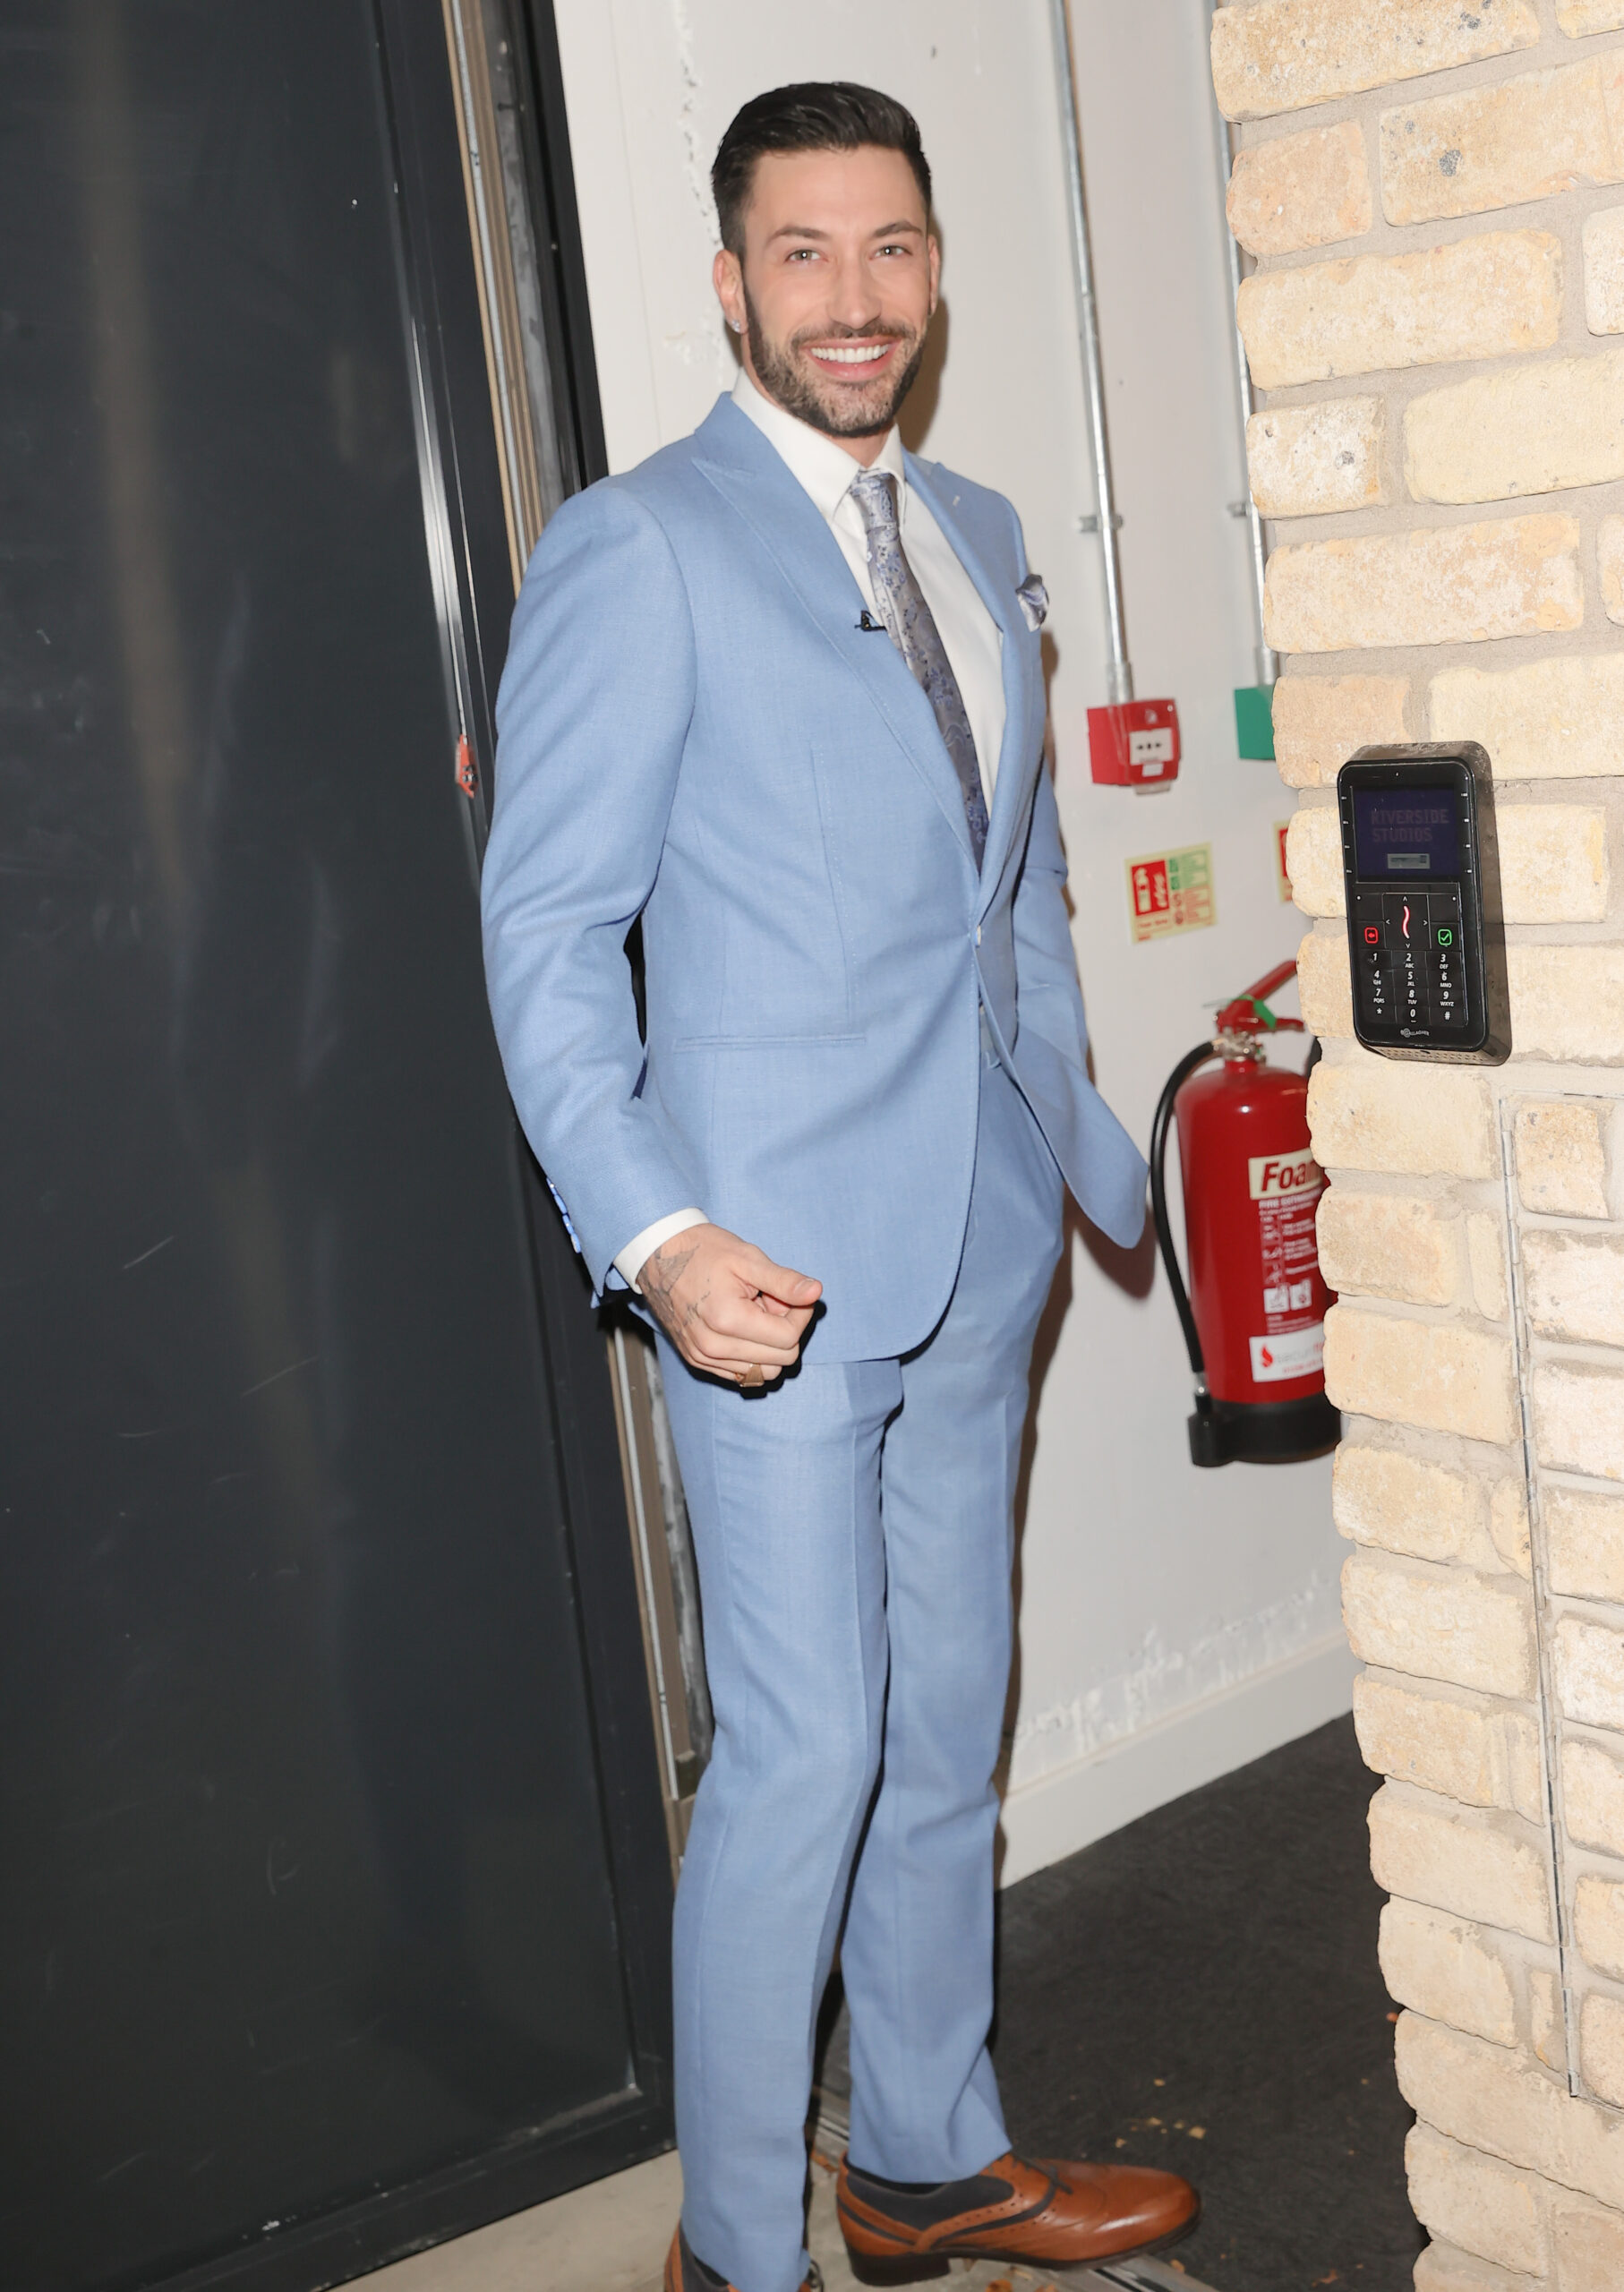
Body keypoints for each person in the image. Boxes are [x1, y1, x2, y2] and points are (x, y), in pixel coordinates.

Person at [481, 79, 1199, 2292]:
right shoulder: (641, 546)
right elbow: (544, 929)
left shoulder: (974, 525)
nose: (856, 297)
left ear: (932, 270)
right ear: (729, 283)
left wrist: (1067, 1116)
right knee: (803, 1750)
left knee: (940, 1721)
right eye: (804, 252)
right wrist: (661, 1230)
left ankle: (919, 2154)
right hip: (766, 1268)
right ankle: (733, 2248)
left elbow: (1019, 878)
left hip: (979, 1237)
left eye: (891, 246)